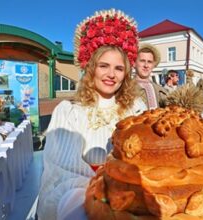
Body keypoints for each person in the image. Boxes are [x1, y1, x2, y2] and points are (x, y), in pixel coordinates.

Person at [36, 9, 147, 220]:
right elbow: (61, 170)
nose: (111, 75)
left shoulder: (137, 109)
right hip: (82, 202)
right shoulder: (69, 111)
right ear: (90, 68)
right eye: (103, 66)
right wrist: (104, 193)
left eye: (119, 68)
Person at [134, 43, 168, 109]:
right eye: (142, 61)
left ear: (153, 65)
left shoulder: (161, 90)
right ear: (134, 64)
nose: (146, 65)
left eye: (149, 62)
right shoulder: (126, 89)